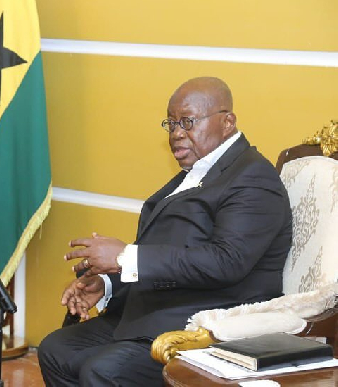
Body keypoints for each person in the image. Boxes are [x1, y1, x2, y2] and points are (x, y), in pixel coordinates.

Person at [38, 77, 292, 386]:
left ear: (228, 122)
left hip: (206, 326)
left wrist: (124, 258)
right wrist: (108, 284)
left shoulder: (252, 178)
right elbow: (170, 255)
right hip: (156, 314)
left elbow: (226, 261)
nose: (176, 134)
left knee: (103, 370)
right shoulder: (195, 173)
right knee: (56, 349)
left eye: (187, 122)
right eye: (170, 124)